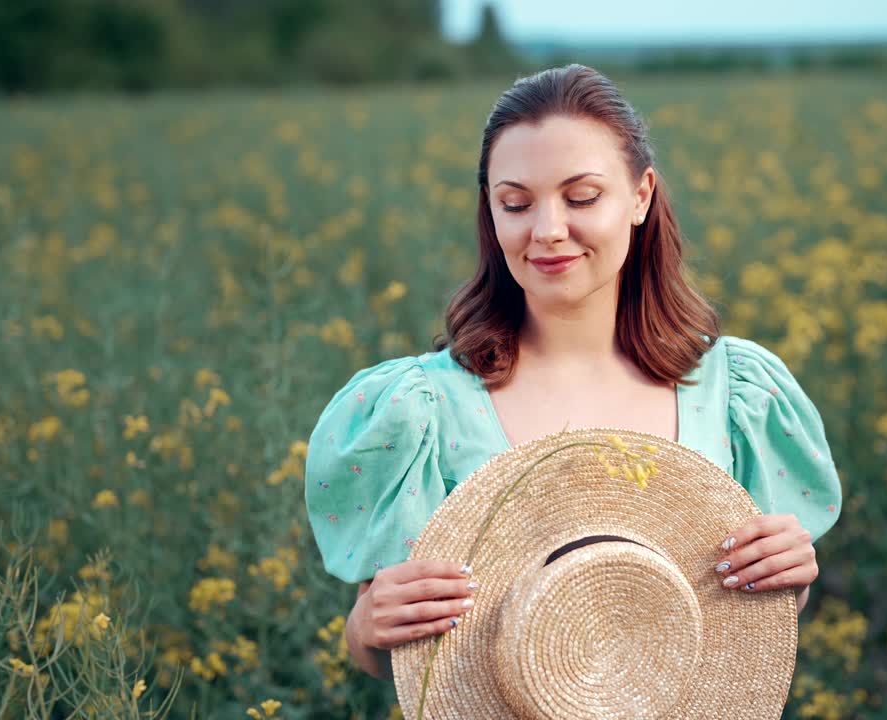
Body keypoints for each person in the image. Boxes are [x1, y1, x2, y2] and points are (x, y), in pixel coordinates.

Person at [303, 64, 843, 681]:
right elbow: (387, 645)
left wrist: (788, 576)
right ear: (491, 210)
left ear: (640, 197)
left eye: (582, 197)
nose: (548, 231)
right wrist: (366, 629)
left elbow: (754, 617)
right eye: (515, 203)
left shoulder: (736, 392)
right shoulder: (421, 409)